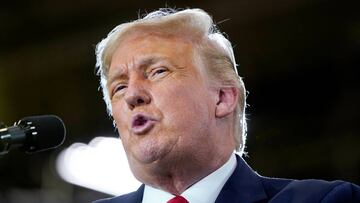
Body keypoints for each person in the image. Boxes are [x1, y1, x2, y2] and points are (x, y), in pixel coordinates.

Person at [93, 8, 360, 203]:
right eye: (119, 87)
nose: (132, 95)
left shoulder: (324, 200)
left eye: (158, 71)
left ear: (222, 98)